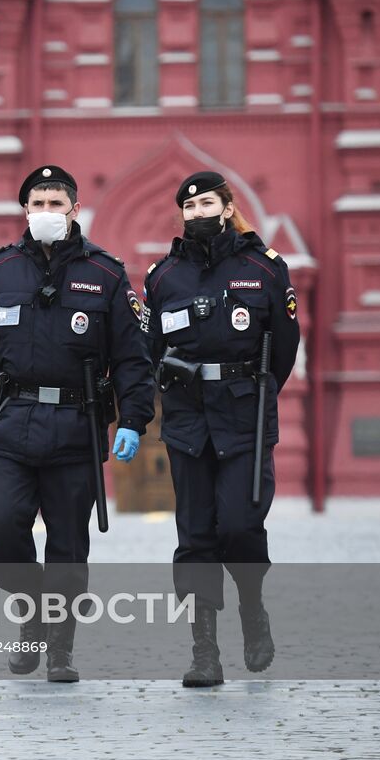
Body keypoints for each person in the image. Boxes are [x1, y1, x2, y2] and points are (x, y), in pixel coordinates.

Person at [0, 164, 154, 681]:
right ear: (25, 210)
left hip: (75, 424)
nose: (47, 211)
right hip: (10, 421)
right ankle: (31, 618)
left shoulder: (107, 274)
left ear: (74, 209)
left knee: (68, 545)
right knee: (4, 530)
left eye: (56, 202)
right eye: (38, 202)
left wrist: (133, 418)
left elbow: (133, 356)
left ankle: (60, 647)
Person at [141, 171, 300, 687]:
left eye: (206, 203)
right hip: (187, 419)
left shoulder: (265, 268)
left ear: (227, 206)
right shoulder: (164, 277)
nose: (197, 213)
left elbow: (284, 348)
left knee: (239, 525)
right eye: (188, 207)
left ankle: (252, 610)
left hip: (244, 416)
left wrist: (252, 396)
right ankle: (203, 650)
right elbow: (151, 352)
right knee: (195, 536)